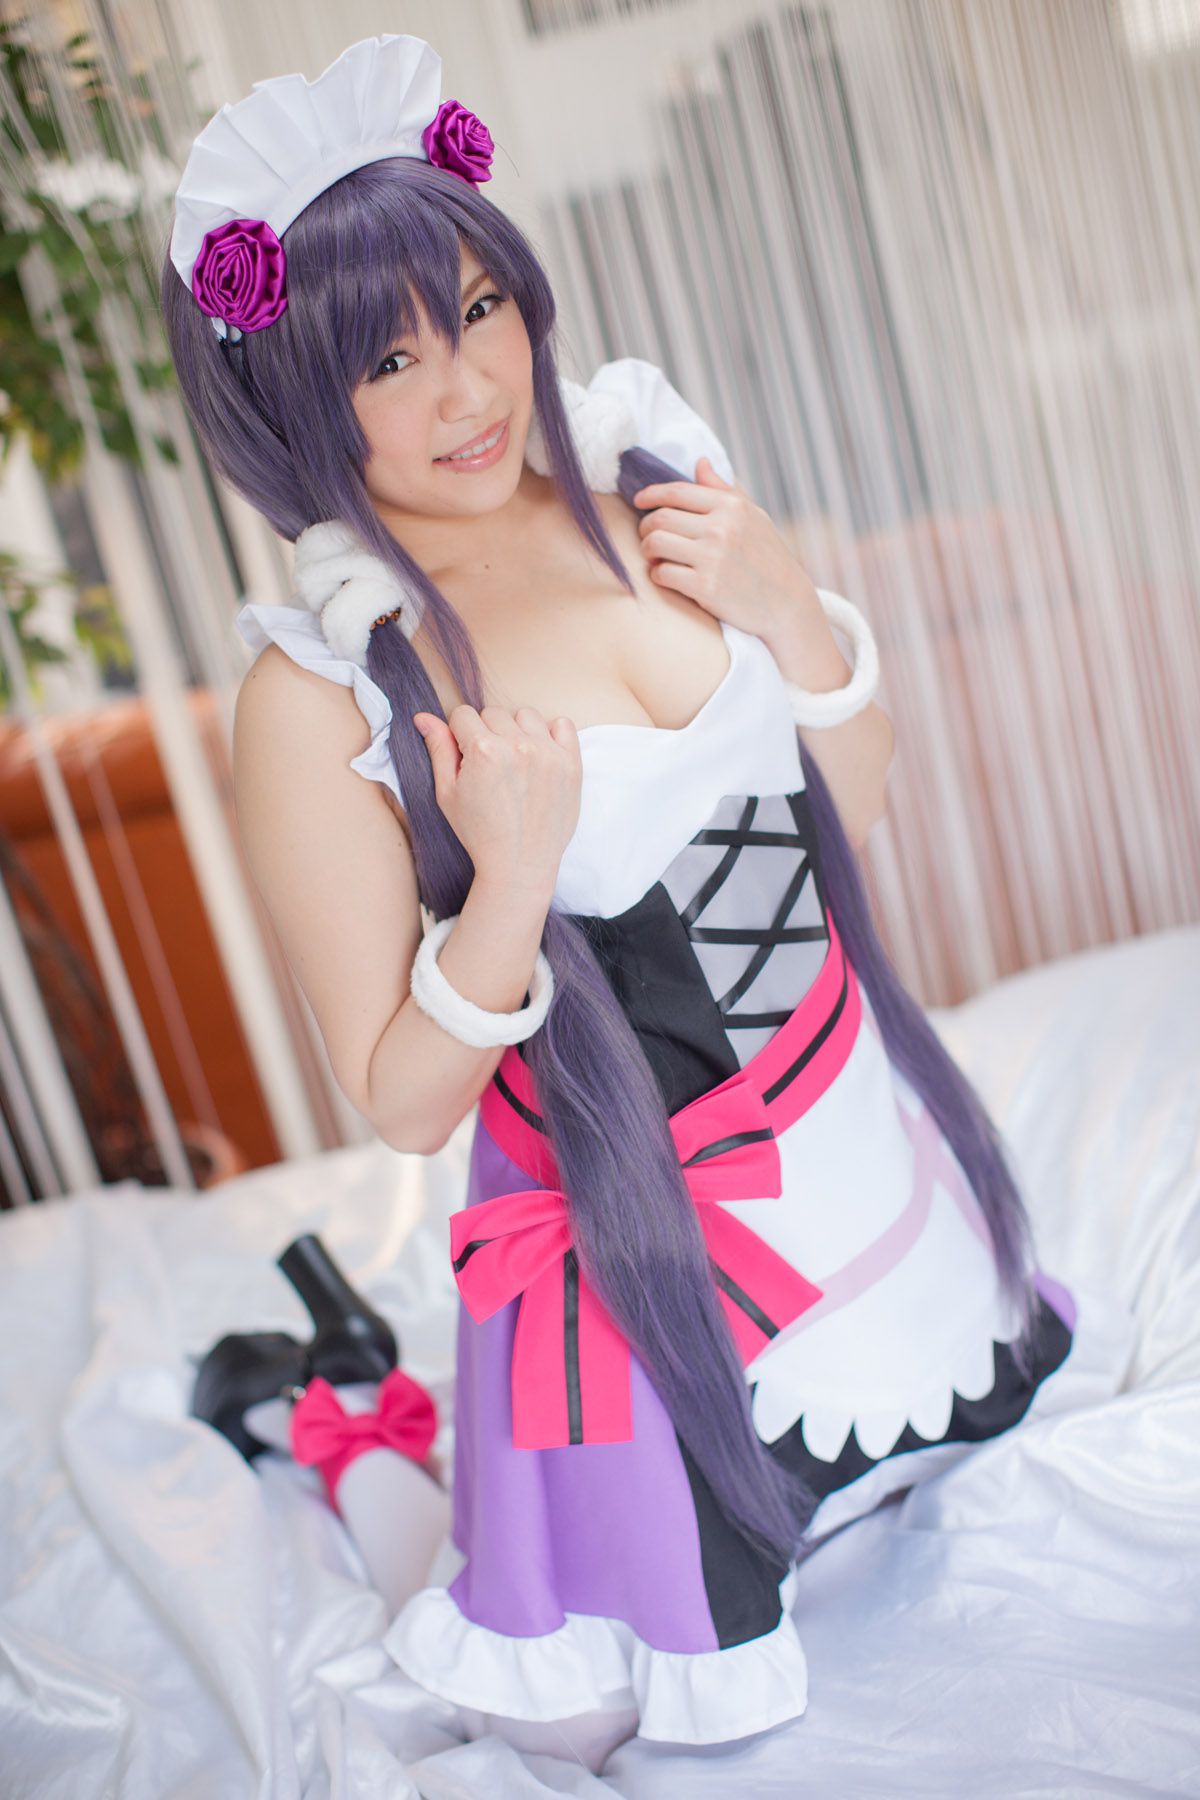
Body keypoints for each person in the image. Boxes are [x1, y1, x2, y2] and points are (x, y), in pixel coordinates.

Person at [161, 32, 1114, 1776]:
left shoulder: (642, 476)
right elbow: (400, 1101)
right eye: (388, 357)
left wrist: (791, 606)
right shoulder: (323, 687)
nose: (470, 388)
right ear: (292, 396)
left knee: (946, 1433)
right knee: (575, 1697)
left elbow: (852, 810)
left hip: (861, 1171)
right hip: (639, 1265)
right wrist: (509, 882)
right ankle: (338, 1420)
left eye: (480, 310)